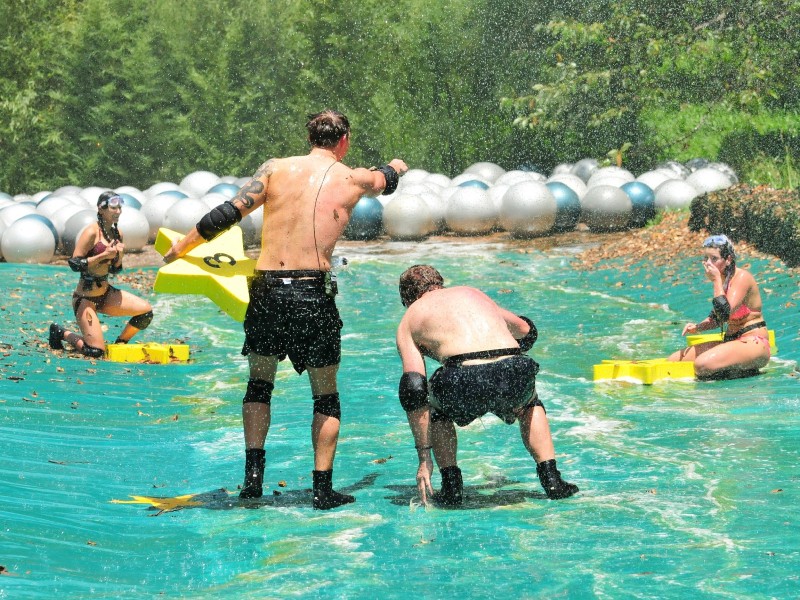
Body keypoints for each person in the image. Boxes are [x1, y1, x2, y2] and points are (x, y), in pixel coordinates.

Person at [164, 109, 408, 510]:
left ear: (310, 137)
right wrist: (396, 166)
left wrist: (182, 246)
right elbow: (387, 181)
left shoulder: (275, 169)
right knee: (325, 395)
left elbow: (227, 213)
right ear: (344, 141)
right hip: (312, 292)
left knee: (259, 384)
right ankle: (321, 488)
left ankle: (253, 481)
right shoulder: (353, 177)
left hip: (268, 290)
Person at [394, 265, 579, 506]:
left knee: (437, 409)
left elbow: (414, 387)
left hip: (461, 381)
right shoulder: (472, 293)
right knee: (530, 404)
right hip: (514, 370)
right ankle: (552, 479)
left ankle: (451, 486)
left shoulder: (410, 317)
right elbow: (526, 330)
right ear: (440, 283)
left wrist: (423, 456)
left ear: (407, 297)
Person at [49, 191, 154, 358]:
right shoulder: (91, 231)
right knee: (95, 352)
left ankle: (120, 344)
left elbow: (115, 270)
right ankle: (60, 332)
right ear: (101, 209)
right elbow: (74, 264)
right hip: (86, 298)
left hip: (105, 294)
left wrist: (119, 257)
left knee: (145, 313)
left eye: (119, 207)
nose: (118, 211)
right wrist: (103, 255)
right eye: (113, 208)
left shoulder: (117, 233)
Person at [667, 234, 770, 379]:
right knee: (673, 360)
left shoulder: (742, 278)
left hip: (755, 343)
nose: (708, 263)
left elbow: (724, 313)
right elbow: (717, 319)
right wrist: (697, 327)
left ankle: (742, 371)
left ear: (728, 260)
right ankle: (733, 368)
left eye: (714, 259)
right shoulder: (724, 281)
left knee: (701, 365)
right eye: (706, 259)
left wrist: (716, 280)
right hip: (732, 341)